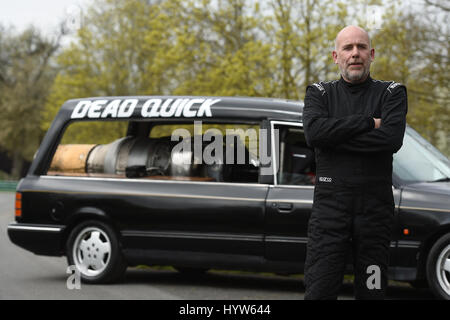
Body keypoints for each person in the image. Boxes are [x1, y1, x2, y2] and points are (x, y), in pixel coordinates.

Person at [302, 25, 408, 300]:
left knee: (373, 292)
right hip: (329, 212)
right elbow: (314, 134)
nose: (355, 53)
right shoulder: (319, 93)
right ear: (336, 56)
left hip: (374, 212)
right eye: (348, 48)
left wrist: (333, 138)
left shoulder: (392, 93)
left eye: (361, 47)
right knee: (319, 291)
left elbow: (390, 139)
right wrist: (368, 123)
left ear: (371, 54)